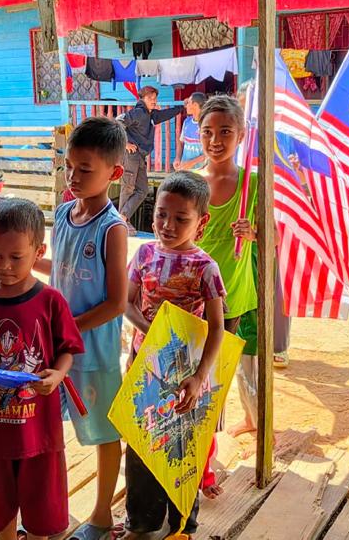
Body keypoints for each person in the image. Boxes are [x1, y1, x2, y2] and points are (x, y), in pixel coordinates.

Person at [0, 199, 84, 540]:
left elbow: (68, 348)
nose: (5, 266)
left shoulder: (50, 300)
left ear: (38, 251)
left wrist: (56, 374)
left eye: (16, 257)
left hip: (38, 428)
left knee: (41, 503)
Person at [38, 117, 129, 540]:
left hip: (93, 352)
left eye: (85, 169)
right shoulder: (61, 213)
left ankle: (101, 514)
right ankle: (48, 508)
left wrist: (68, 326)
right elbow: (59, 269)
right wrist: (15, 259)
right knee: (47, 427)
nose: (73, 177)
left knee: (105, 432)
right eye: (68, 166)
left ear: (114, 173)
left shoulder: (112, 230)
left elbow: (115, 302)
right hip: (55, 349)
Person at [124, 171, 226, 540]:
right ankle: (140, 522)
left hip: (187, 376)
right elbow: (127, 301)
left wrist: (200, 376)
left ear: (201, 223)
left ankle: (182, 525)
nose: (167, 225)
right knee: (141, 445)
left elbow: (216, 327)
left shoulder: (205, 269)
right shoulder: (144, 253)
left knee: (183, 446)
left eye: (181, 219)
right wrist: (149, 329)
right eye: (161, 214)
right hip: (144, 367)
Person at [193, 95, 260, 437]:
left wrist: (255, 233)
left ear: (241, 135)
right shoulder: (189, 184)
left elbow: (274, 238)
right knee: (190, 370)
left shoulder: (255, 184)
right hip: (190, 297)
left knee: (217, 374)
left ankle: (209, 448)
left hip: (231, 295)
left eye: (225, 132)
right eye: (207, 132)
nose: (215, 141)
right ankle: (195, 446)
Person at [117, 86, 184, 232]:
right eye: (150, 98)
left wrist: (181, 108)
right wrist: (125, 143)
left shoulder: (150, 114)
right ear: (142, 99)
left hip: (140, 156)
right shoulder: (139, 112)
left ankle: (122, 217)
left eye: (155, 98)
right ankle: (121, 221)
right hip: (131, 155)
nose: (153, 101)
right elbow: (117, 122)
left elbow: (164, 114)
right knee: (128, 187)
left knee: (142, 190)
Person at [174, 92, 207, 171]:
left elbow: (210, 153)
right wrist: (178, 158)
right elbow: (181, 142)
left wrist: (191, 163)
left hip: (201, 171)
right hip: (185, 170)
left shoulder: (207, 125)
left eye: (188, 103)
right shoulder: (187, 122)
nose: (186, 106)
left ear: (195, 105)